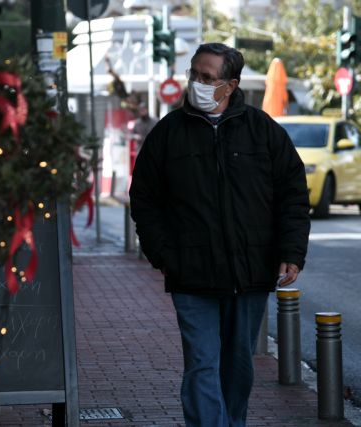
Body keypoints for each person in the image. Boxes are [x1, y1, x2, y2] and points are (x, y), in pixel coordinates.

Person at [129, 43, 310, 427]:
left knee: (238, 367)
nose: (197, 82)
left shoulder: (263, 131)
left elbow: (293, 193)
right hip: (191, 274)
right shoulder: (168, 134)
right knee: (201, 364)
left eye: (207, 77)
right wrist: (163, 254)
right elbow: (144, 198)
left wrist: (291, 251)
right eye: (194, 73)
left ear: (230, 84)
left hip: (250, 273)